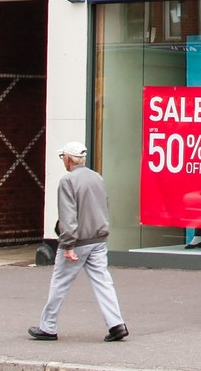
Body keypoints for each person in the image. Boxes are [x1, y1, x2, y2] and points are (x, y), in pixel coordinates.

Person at [29, 140, 128, 343]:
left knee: (60, 283)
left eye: (63, 157)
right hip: (99, 239)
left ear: (68, 159)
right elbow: (104, 206)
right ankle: (116, 324)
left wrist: (67, 245)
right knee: (103, 282)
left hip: (78, 241)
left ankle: (48, 327)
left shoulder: (68, 181)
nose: (63, 161)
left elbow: (68, 215)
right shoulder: (97, 177)